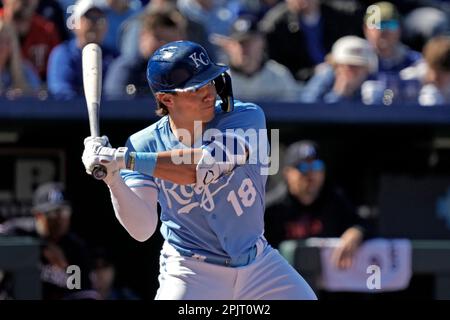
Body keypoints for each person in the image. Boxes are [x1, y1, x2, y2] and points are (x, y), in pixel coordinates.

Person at [81, 40, 317, 300]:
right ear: (166, 99)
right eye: (195, 88)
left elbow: (202, 167)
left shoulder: (245, 116)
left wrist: (124, 160)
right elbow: (142, 229)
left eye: (210, 81)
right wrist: (113, 178)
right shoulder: (142, 144)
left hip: (258, 264)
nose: (209, 93)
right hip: (190, 271)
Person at [265, 141, 369, 270]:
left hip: (328, 280)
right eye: (303, 167)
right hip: (284, 279)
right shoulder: (271, 208)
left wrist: (355, 232)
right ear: (287, 173)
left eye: (316, 166)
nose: (311, 174)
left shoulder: (334, 200)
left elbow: (362, 223)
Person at [0, 182, 97, 299]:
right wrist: (40, 247)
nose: (60, 219)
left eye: (64, 211)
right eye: (53, 213)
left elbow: (85, 292)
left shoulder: (76, 248)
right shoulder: (16, 231)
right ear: (38, 215)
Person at [47, 0, 115, 100]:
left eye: (100, 19)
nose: (95, 24)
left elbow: (117, 95)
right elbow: (61, 94)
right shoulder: (63, 54)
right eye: (89, 18)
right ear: (75, 23)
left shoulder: (113, 57)